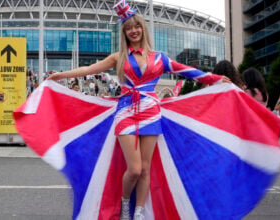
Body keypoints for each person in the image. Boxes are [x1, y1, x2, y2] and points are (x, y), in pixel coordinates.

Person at [47, 1, 230, 218]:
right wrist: (60, 75)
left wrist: (216, 79)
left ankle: (139, 212)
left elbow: (189, 71)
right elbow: (89, 68)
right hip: (125, 112)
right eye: (128, 28)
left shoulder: (159, 58)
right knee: (133, 169)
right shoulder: (119, 57)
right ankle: (126, 204)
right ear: (124, 32)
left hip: (151, 113)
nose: (134, 31)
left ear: (143, 28)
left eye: (137, 27)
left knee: (144, 169)